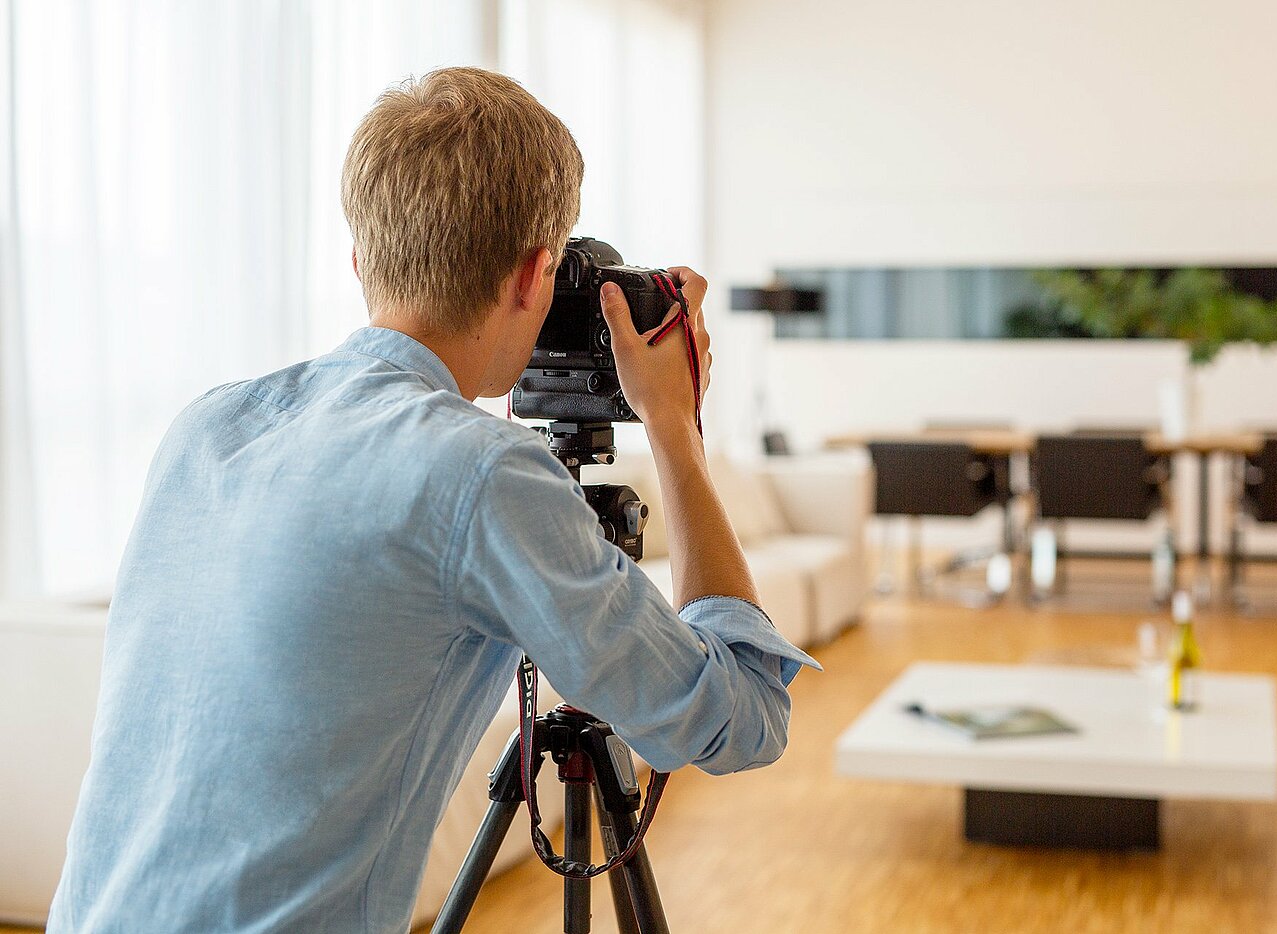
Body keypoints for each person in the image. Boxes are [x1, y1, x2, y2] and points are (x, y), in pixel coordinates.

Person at [49, 67, 818, 933]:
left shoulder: (209, 428)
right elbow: (743, 718)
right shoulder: (479, 474)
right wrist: (675, 425)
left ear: (358, 258)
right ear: (537, 275)